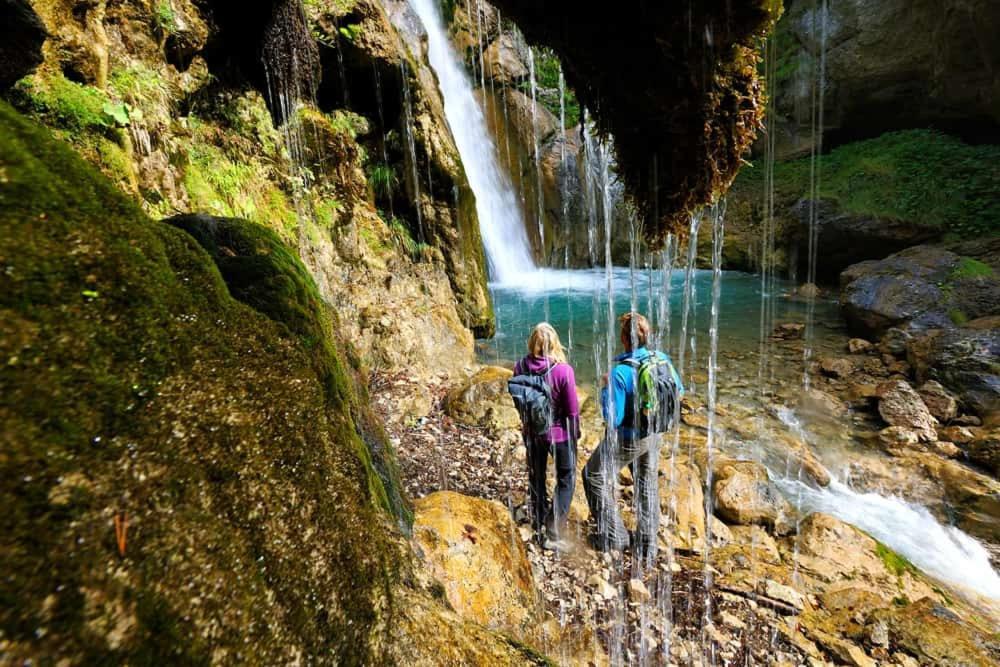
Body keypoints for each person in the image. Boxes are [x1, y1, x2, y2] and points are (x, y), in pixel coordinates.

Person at [583, 312, 683, 561]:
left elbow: (612, 419)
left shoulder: (620, 373)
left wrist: (606, 388)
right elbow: (678, 392)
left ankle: (615, 535)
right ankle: (648, 542)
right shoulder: (661, 359)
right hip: (654, 431)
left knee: (593, 476)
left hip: (629, 438)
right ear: (647, 336)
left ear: (623, 340)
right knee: (646, 481)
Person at [513, 323, 580, 549]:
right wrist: (575, 434)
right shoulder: (563, 371)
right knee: (566, 478)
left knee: (536, 476)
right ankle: (553, 529)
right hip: (559, 435)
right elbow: (572, 411)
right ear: (555, 344)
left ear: (532, 342)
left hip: (532, 433)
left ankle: (539, 520)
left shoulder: (519, 366)